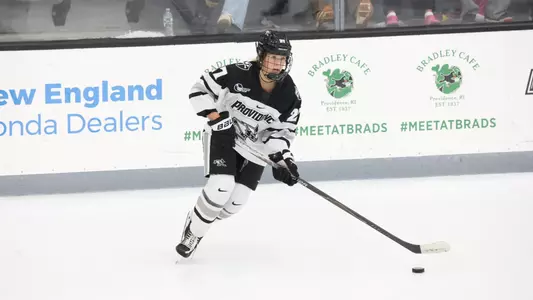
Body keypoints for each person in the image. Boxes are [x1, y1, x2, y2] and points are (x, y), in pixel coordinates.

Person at [175, 30, 303, 261]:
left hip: (254, 150)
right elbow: (198, 90)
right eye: (272, 57)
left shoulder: (290, 95)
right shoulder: (235, 73)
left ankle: (199, 217)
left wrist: (285, 161)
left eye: (282, 59)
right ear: (261, 55)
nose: (277, 64)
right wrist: (216, 117)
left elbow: (280, 133)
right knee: (221, 186)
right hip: (224, 138)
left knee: (234, 203)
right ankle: (194, 233)